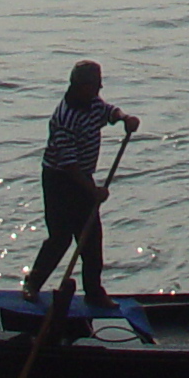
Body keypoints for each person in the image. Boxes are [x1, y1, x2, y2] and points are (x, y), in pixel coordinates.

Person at [21, 60, 139, 309]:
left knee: (91, 239)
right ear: (80, 86)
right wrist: (93, 191)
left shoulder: (93, 103)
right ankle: (33, 283)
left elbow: (108, 112)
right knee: (61, 238)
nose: (98, 90)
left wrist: (124, 118)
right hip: (60, 181)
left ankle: (94, 293)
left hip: (82, 178)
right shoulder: (64, 117)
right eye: (94, 86)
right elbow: (68, 165)